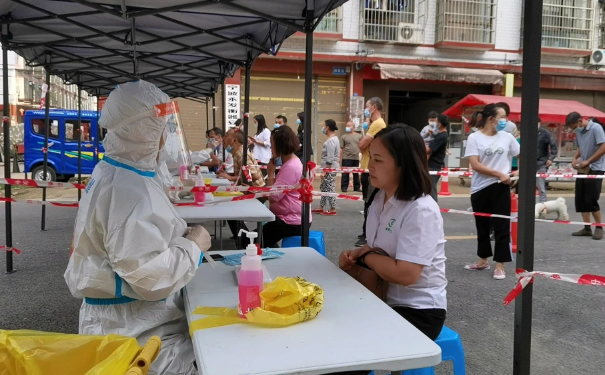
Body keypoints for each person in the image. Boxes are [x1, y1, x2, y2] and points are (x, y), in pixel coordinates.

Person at [64, 80, 211, 375]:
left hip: (123, 321)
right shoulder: (129, 191)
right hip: (137, 330)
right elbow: (149, 278)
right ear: (142, 130)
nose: (167, 134)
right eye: (162, 125)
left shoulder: (114, 171)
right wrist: (193, 244)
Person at [338, 124, 446, 353]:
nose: (370, 167)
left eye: (378, 160)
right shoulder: (379, 198)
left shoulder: (420, 209)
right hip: (383, 298)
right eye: (370, 158)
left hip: (418, 311)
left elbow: (406, 273)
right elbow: (376, 247)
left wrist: (366, 259)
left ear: (403, 164)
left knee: (346, 351)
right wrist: (354, 257)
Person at [463, 103, 519, 280]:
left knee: (502, 226)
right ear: (491, 119)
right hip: (480, 188)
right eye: (502, 117)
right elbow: (475, 164)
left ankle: (500, 265)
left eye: (506, 117)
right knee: (482, 226)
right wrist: (499, 173)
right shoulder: (474, 138)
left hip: (501, 187)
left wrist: (517, 172)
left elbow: (521, 155)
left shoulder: (507, 137)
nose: (505, 121)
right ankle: (482, 260)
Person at [239, 126, 310, 247]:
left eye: (272, 144)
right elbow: (274, 192)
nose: (271, 148)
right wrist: (254, 191)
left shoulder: (291, 167)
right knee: (258, 238)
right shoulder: (290, 163)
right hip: (289, 218)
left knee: (248, 241)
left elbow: (273, 197)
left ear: (280, 144)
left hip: (291, 221)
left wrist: (270, 174)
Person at [218, 128, 265, 240]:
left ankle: (244, 239)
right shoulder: (237, 153)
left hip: (255, 192)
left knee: (230, 208)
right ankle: (241, 237)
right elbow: (241, 173)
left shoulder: (241, 154)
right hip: (247, 190)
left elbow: (252, 175)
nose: (223, 138)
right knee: (228, 207)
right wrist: (226, 174)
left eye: (226, 135)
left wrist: (229, 177)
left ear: (234, 140)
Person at [566, 112, 605, 240]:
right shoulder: (578, 132)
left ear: (580, 121)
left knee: (591, 199)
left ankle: (599, 228)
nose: (574, 130)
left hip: (596, 168)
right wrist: (575, 158)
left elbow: (603, 146)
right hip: (583, 168)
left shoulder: (596, 128)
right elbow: (581, 147)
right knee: (581, 198)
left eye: (574, 126)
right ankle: (586, 228)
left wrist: (589, 160)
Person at [356, 97, 387, 247]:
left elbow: (361, 144)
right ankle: (367, 233)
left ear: (374, 107)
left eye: (367, 107)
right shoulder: (374, 125)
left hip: (370, 169)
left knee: (370, 204)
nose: (366, 110)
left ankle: (367, 235)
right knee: (369, 203)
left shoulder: (378, 124)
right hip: (367, 168)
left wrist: (363, 145)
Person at [313, 119, 340, 216]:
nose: (322, 127)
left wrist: (325, 170)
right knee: (324, 187)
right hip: (328, 167)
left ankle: (333, 208)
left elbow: (330, 156)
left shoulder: (331, 140)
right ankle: (321, 206)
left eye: (323, 125)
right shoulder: (332, 139)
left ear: (327, 127)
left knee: (329, 187)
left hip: (330, 168)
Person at [426, 113, 449, 202]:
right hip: (433, 165)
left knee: (431, 189)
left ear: (439, 124)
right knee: (428, 188)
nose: (434, 123)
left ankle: (433, 207)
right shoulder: (439, 134)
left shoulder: (442, 136)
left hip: (433, 166)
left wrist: (419, 142)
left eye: (435, 121)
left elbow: (428, 150)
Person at [536, 120, 557, 203]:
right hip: (529, 164)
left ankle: (543, 206)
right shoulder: (527, 133)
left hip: (541, 163)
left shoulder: (545, 133)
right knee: (528, 188)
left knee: (541, 187)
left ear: (539, 123)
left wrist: (551, 158)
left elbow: (554, 146)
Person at [339, 121, 362, 193]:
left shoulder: (359, 136)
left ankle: (357, 187)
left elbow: (362, 146)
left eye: (349, 125)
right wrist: (339, 157)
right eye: (347, 125)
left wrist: (362, 155)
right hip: (346, 157)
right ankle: (344, 187)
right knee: (345, 173)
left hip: (355, 157)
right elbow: (341, 148)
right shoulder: (344, 137)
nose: (347, 127)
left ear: (353, 127)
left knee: (356, 173)